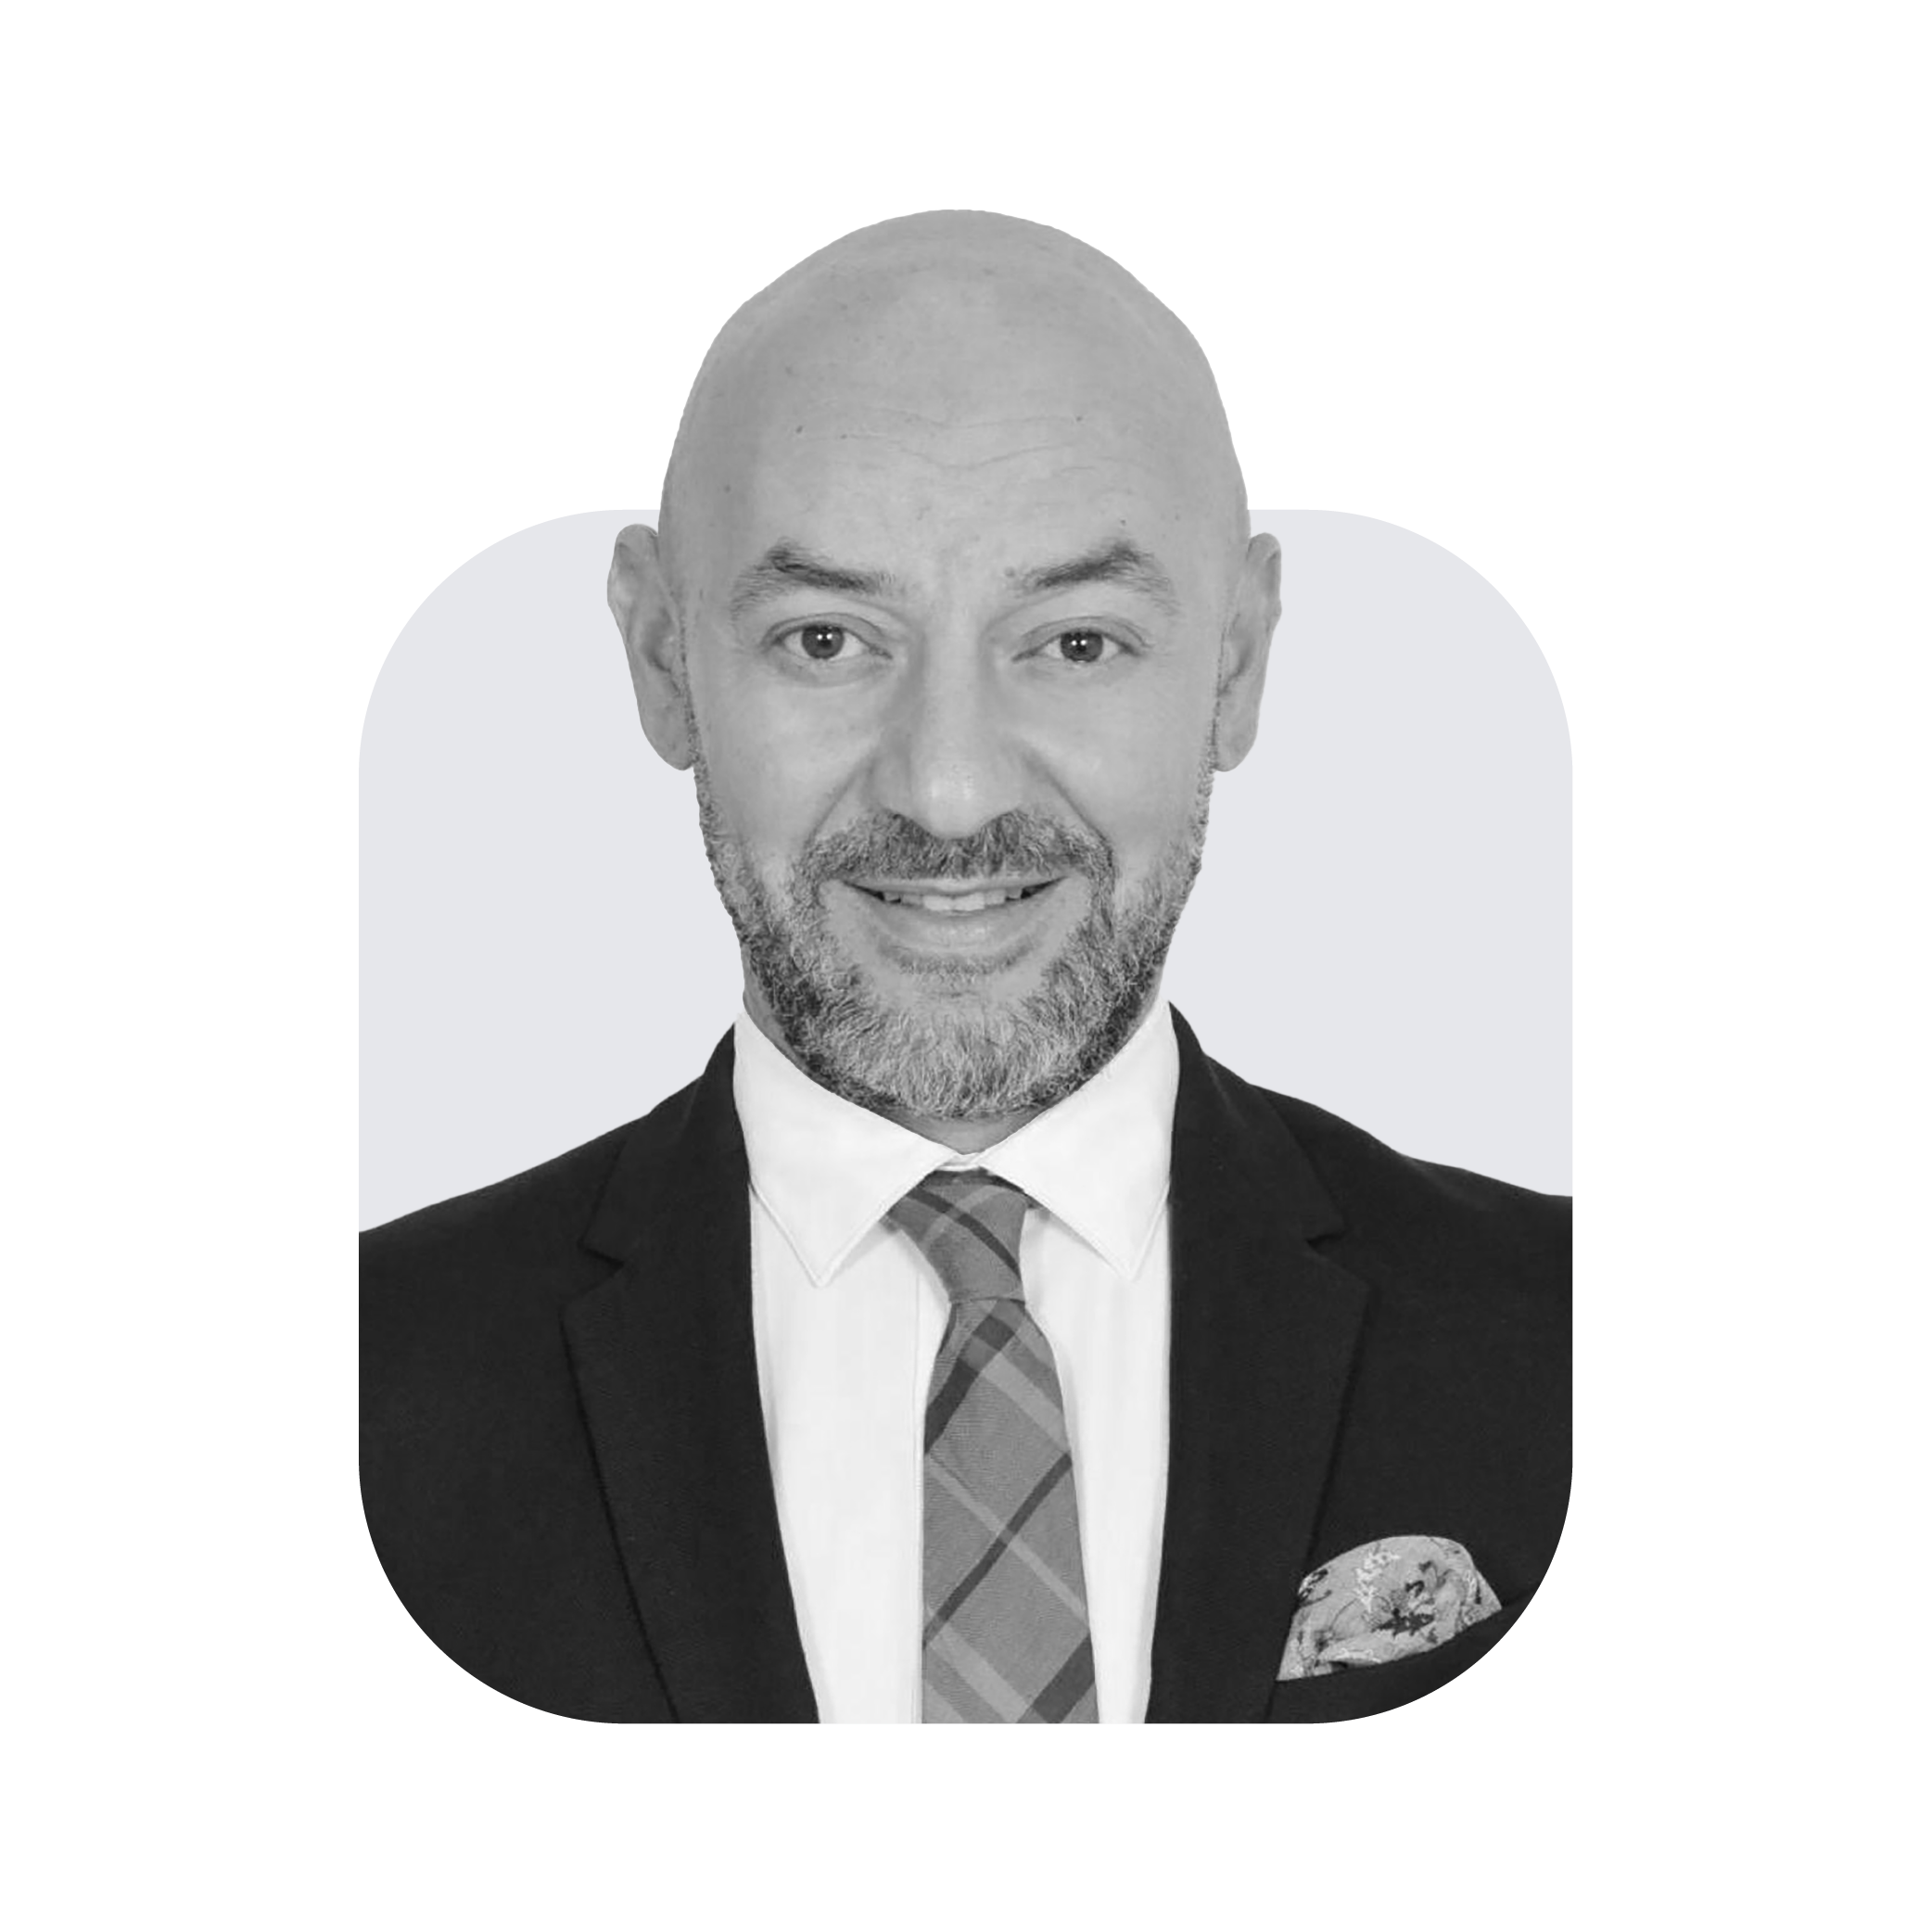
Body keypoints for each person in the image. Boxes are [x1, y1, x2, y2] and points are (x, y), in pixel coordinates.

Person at [360, 210, 1570, 1724]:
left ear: (1237, 662)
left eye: (1075, 643)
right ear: (665, 659)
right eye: (825, 639)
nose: (947, 791)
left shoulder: (1578, 1340)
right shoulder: (355, 1383)